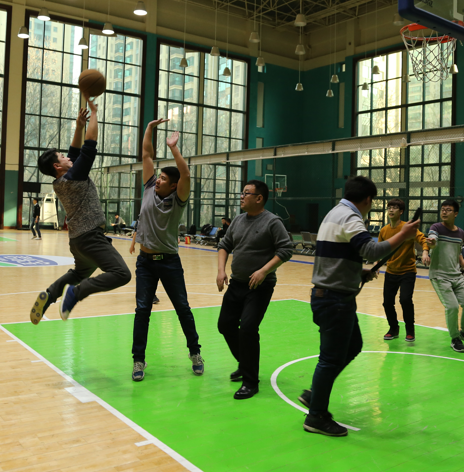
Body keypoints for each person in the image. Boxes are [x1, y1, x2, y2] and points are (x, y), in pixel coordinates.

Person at [299, 176, 419, 437]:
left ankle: (316, 394)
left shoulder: (334, 213)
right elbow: (372, 251)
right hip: (334, 300)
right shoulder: (350, 217)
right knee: (330, 359)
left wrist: (357, 271)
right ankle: (316, 415)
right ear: (367, 199)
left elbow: (336, 254)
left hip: (332, 295)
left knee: (353, 346)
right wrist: (403, 235)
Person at [30, 101, 131, 325]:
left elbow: (74, 152)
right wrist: (94, 113)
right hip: (90, 237)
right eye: (62, 157)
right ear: (57, 166)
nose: (67, 157)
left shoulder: (62, 181)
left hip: (77, 240)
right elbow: (89, 144)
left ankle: (50, 294)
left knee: (79, 272)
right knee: (121, 274)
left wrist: (78, 126)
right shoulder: (74, 177)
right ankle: (76, 292)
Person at [131, 118, 202, 382]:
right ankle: (138, 360)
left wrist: (174, 148)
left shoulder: (178, 199)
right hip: (145, 263)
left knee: (182, 308)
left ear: (173, 185)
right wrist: (149, 129)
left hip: (170, 262)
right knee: (142, 311)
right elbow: (146, 155)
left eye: (163, 178)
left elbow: (186, 175)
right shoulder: (149, 188)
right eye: (158, 177)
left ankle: (195, 353)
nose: (158, 180)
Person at [217, 181, 293, 400]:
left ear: (259, 198)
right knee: (225, 325)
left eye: (246, 193)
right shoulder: (238, 221)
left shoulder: (272, 222)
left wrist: (264, 271)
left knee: (248, 329)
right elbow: (224, 245)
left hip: (259, 287)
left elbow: (286, 249)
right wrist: (221, 271)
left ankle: (250, 382)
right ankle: (245, 363)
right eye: (242, 193)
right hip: (237, 283)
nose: (242, 197)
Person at [424, 199, 464, 354]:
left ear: (456, 213)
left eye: (448, 210)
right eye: (442, 209)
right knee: (452, 307)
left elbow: (458, 252)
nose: (444, 212)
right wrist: (430, 245)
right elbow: (432, 240)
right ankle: (455, 338)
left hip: (457, 275)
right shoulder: (436, 228)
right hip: (440, 275)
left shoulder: (460, 233)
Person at [378, 198, 430, 342]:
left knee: (405, 300)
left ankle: (410, 330)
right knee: (387, 303)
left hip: (408, 271)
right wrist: (376, 264)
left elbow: (423, 239)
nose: (391, 210)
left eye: (394, 207)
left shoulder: (407, 227)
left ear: (401, 211)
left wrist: (425, 252)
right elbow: (380, 249)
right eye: (389, 207)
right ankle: (393, 328)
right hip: (391, 271)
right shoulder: (384, 230)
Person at [130, 218, 159, 305]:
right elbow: (136, 231)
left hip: (157, 252)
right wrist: (132, 245)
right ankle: (147, 295)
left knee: (154, 275)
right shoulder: (142, 219)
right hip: (145, 253)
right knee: (145, 276)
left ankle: (152, 295)